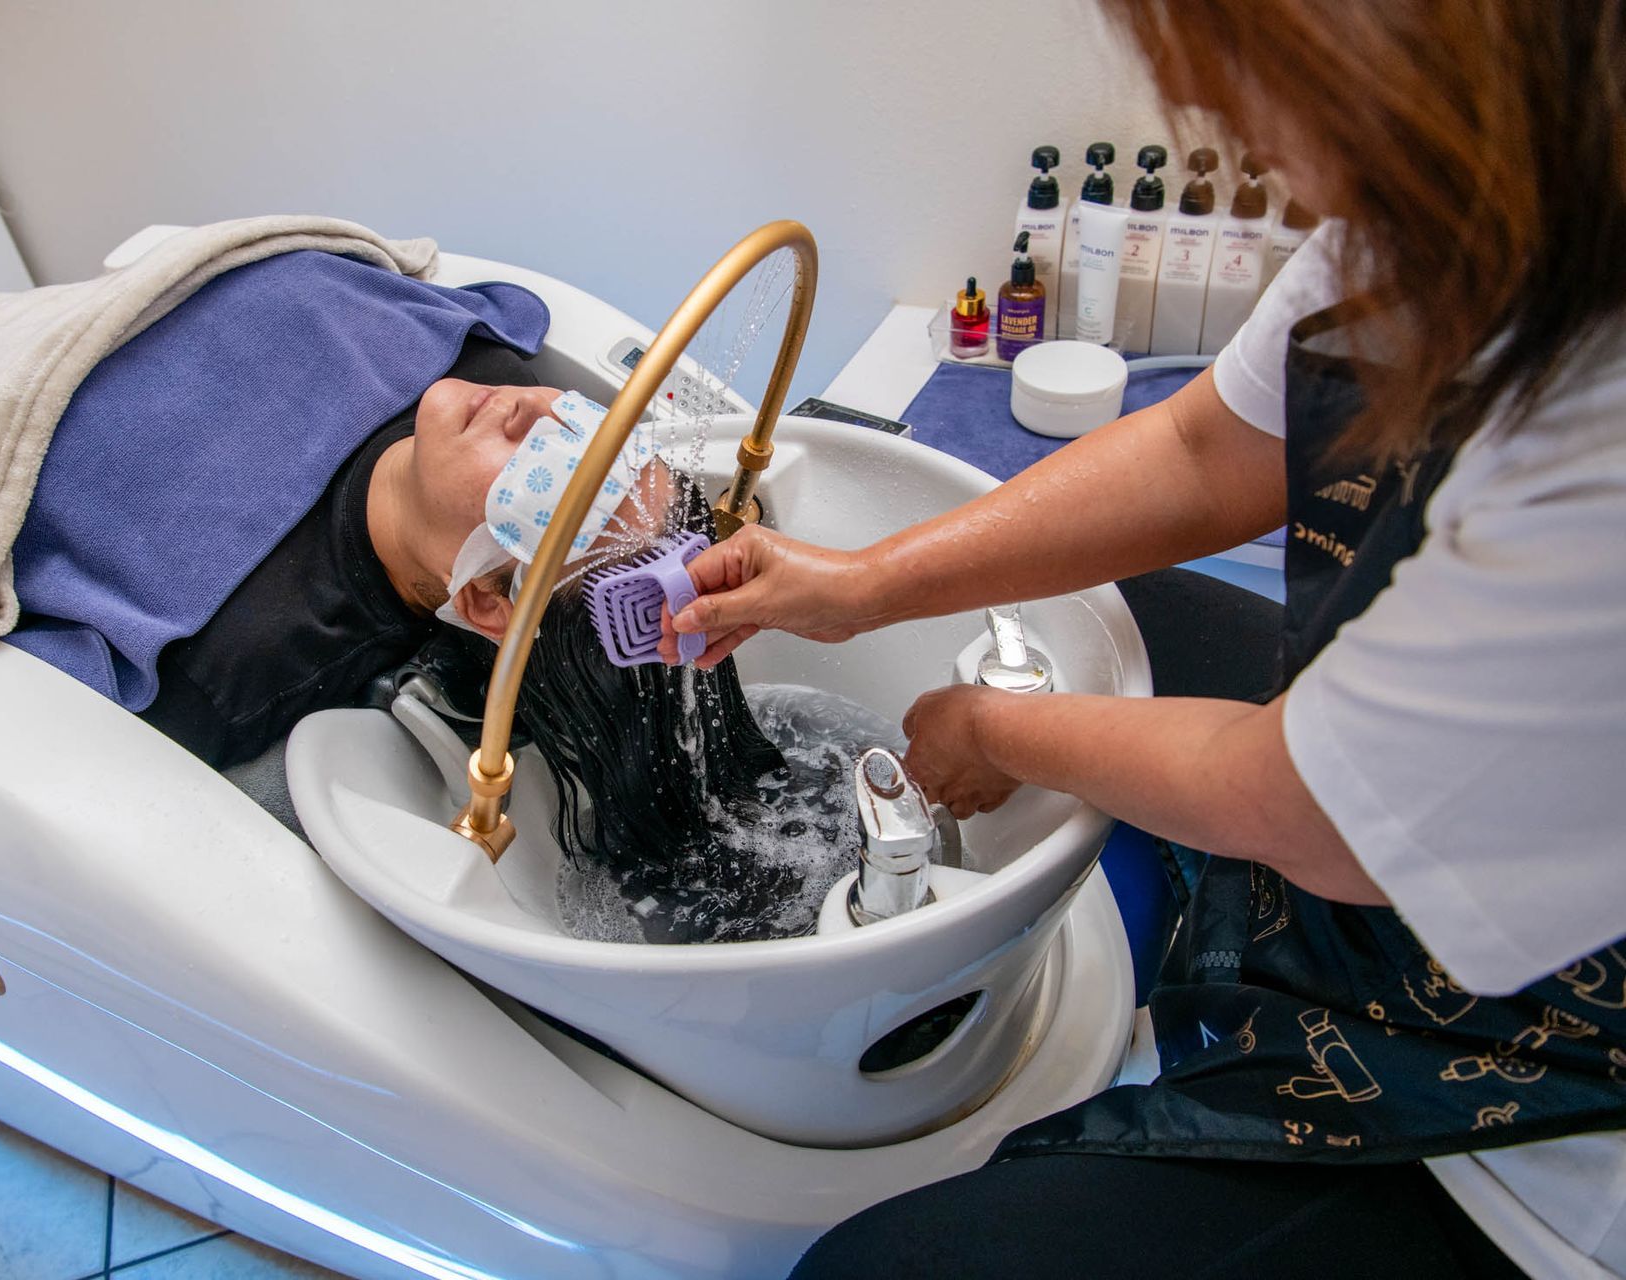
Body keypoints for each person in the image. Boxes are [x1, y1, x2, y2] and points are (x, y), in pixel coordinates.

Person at [667, 2, 1626, 1274]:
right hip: (1391, 818)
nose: (1215, 122)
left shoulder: (1602, 439)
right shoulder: (1435, 217)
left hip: (1552, 1101)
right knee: (1132, 620)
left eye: (1234, 73)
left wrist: (1002, 726)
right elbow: (1206, 447)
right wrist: (863, 584)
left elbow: (1311, 812)